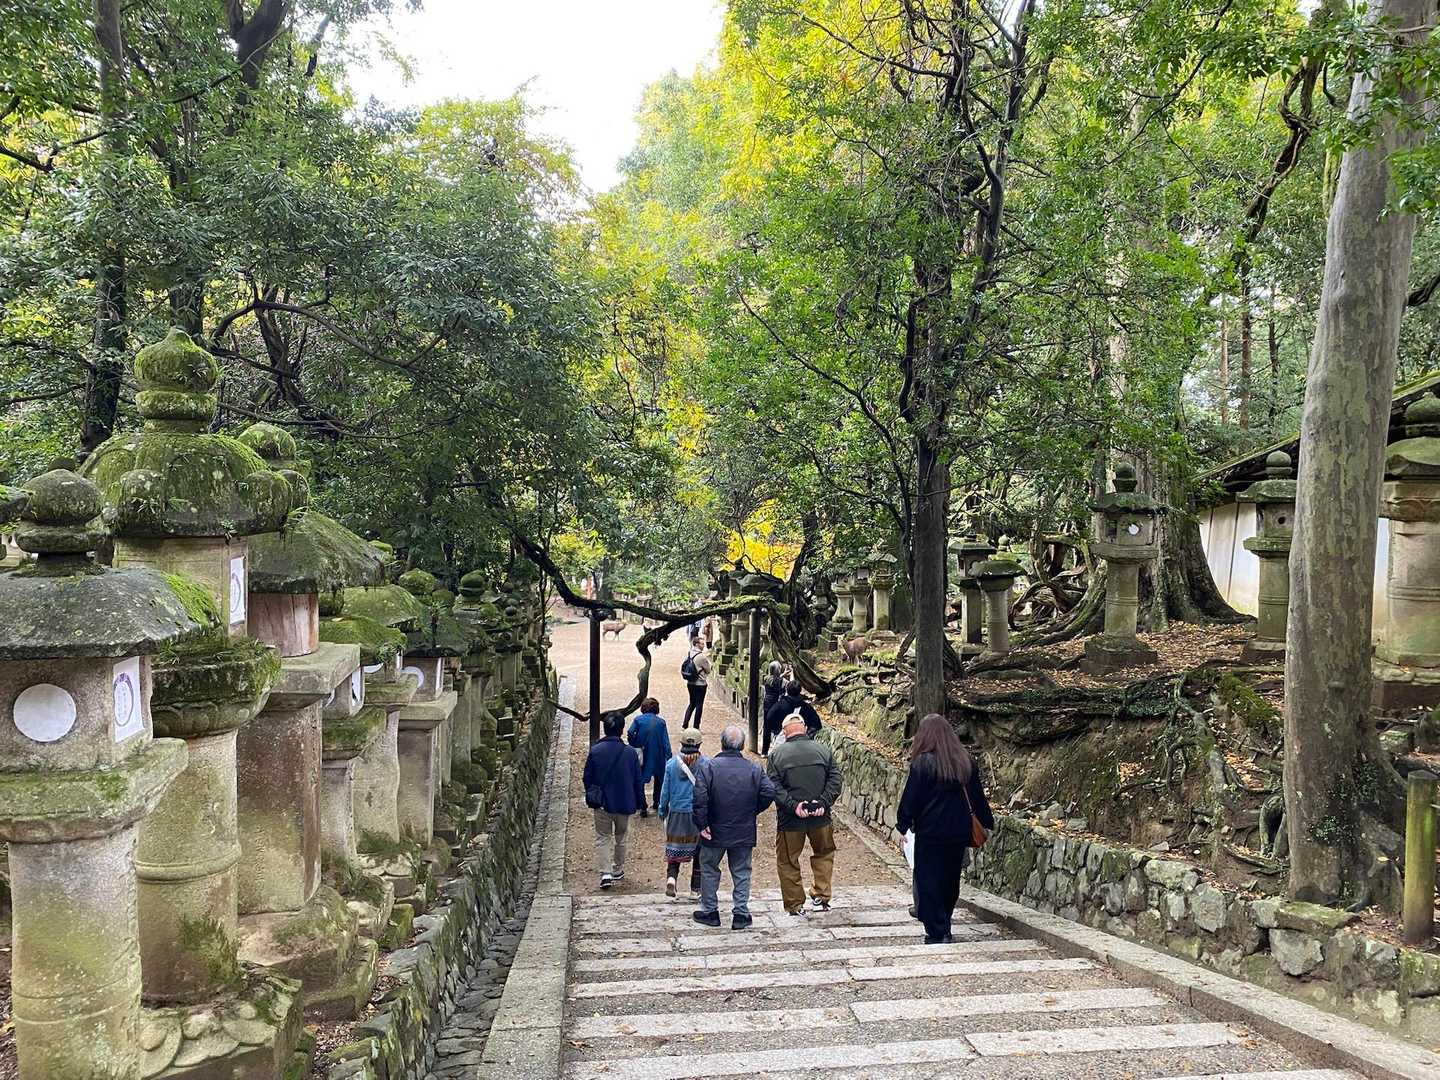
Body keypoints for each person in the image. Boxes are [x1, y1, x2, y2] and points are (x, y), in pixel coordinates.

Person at [896, 713, 995, 944]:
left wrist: (903, 823)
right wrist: (986, 821)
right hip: (958, 832)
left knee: (928, 880)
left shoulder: (923, 763)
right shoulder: (965, 762)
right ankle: (945, 925)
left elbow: (912, 798)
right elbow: (977, 797)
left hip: (930, 832)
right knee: (950, 880)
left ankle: (937, 930)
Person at [692, 724, 776, 930]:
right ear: (742, 745)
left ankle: (710, 910)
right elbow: (769, 792)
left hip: (714, 827)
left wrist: (702, 823)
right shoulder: (754, 768)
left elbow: (700, 798)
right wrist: (752, 810)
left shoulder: (708, 767)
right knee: (741, 871)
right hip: (743, 827)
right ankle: (741, 913)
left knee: (709, 868)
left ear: (722, 743)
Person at [766, 713, 843, 915]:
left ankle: (794, 904)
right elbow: (836, 780)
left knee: (787, 860)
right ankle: (822, 894)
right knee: (824, 853)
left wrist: (793, 806)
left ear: (784, 732)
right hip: (821, 817)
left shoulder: (776, 755)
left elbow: (774, 786)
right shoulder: (823, 751)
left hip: (790, 820)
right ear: (805, 728)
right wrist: (823, 802)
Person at [582, 711, 647, 890]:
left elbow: (587, 777)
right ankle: (617, 868)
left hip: (602, 802)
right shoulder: (630, 753)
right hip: (624, 802)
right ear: (621, 730)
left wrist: (592, 793)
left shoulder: (595, 751)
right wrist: (641, 802)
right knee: (621, 837)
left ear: (605, 729)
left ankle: (605, 872)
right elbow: (638, 781)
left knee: (603, 837)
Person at [658, 733, 706, 898]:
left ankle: (672, 878)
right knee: (699, 851)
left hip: (677, 812)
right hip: (697, 813)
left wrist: (662, 810)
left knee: (675, 847)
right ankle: (695, 888)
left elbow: (665, 791)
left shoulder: (671, 764)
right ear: (699, 745)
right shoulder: (706, 764)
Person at [626, 697, 672, 817]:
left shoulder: (638, 720)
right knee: (659, 780)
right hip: (658, 755)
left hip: (643, 754)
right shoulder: (661, 722)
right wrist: (669, 756)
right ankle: (657, 802)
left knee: (639, 780)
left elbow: (630, 732)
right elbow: (666, 742)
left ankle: (642, 806)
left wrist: (634, 743)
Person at [681, 639, 712, 731]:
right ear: (697, 644)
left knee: (691, 703)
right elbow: (708, 670)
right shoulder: (701, 656)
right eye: (702, 644)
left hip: (690, 683)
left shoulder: (690, 653)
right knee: (699, 705)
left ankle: (685, 725)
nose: (703, 645)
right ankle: (696, 727)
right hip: (700, 684)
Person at [760, 661, 787, 754]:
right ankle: (776, 750)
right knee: (778, 728)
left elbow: (775, 680)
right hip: (776, 706)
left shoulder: (766, 678)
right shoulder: (780, 681)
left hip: (767, 705)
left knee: (767, 728)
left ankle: (764, 751)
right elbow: (786, 683)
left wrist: (783, 674)